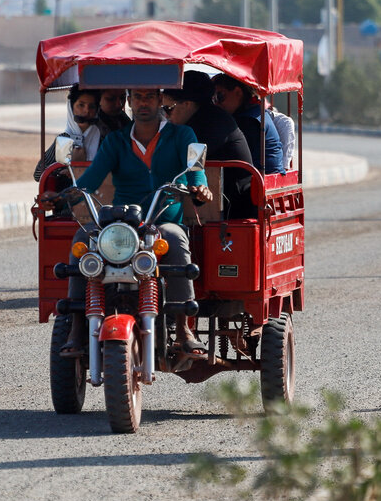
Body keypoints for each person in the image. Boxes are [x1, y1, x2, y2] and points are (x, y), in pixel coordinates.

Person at [51, 88, 214, 359]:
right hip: (123, 223)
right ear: (129, 102)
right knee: (84, 239)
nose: (143, 102)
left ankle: (184, 329)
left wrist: (200, 190)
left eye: (150, 96)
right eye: (137, 97)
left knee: (174, 239)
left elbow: (196, 175)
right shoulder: (115, 141)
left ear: (161, 100)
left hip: (162, 221)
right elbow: (89, 180)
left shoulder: (181, 135)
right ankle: (78, 328)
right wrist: (60, 198)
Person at [161, 71, 256, 218]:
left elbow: (190, 158)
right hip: (213, 202)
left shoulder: (212, 122)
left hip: (234, 207)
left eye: (168, 108)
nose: (166, 116)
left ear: (187, 104)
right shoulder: (196, 119)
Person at [212, 73, 285, 174]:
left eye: (219, 96)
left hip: (258, 181)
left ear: (238, 92)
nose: (216, 103)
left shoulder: (248, 120)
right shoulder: (253, 112)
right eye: (213, 99)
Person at [33, 85, 102, 182]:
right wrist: (65, 169)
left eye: (91, 106)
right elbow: (38, 174)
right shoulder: (63, 139)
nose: (87, 110)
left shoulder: (103, 138)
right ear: (71, 107)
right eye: (81, 105)